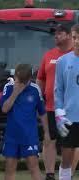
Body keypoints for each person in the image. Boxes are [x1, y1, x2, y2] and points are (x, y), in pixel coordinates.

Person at [36, 24, 73, 180]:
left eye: (60, 33)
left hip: (72, 108)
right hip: (51, 106)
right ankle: (50, 174)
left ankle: (67, 174)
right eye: (55, 34)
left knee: (71, 143)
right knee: (49, 139)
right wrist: (40, 98)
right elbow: (40, 79)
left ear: (70, 35)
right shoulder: (49, 55)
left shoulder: (75, 54)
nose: (56, 36)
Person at [0, 64, 49, 180]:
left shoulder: (35, 89)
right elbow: (4, 109)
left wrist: (47, 132)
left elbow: (42, 113)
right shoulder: (9, 87)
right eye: (18, 79)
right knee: (10, 168)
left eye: (23, 81)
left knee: (34, 167)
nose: (19, 83)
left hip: (29, 136)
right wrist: (16, 92)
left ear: (29, 79)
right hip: (12, 136)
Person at [54, 24, 79, 180]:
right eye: (75, 37)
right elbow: (59, 90)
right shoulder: (62, 61)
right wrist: (59, 113)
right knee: (66, 158)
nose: (77, 41)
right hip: (70, 117)